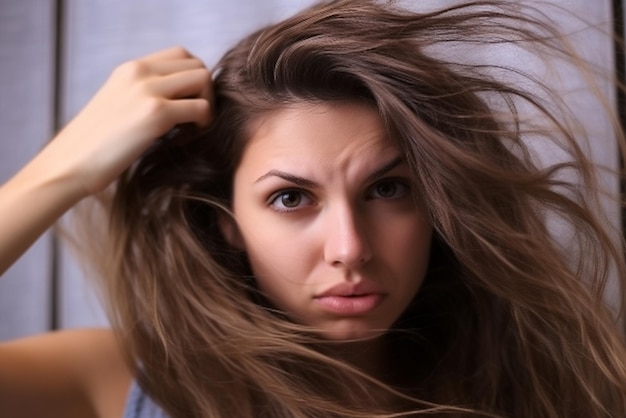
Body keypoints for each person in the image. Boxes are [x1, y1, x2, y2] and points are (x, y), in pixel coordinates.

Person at [1, 0, 626, 416]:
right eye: (291, 198)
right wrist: (63, 170)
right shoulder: (117, 383)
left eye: (387, 190)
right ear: (228, 222)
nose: (350, 248)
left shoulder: (548, 386)